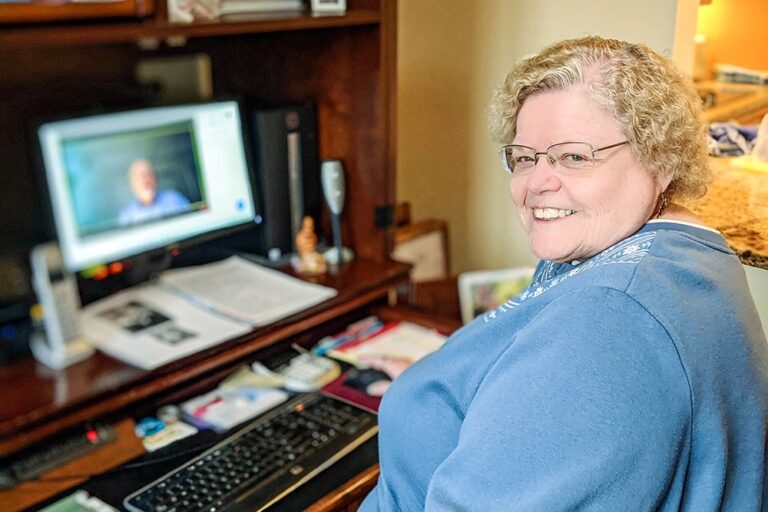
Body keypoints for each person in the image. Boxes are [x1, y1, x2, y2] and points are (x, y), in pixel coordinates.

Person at [359, 36, 768, 511]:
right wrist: (450, 385)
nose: (536, 183)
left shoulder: (610, 323)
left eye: (574, 156)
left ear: (661, 158)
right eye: (524, 158)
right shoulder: (685, 253)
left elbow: (592, 364)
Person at [118, 159, 191, 226]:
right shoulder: (127, 217)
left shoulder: (174, 199)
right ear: (132, 184)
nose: (146, 178)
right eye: (140, 175)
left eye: (149, 173)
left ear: (155, 178)